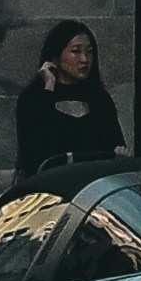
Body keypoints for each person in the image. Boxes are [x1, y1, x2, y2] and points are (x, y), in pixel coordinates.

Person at [16, 17, 125, 185]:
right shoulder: (33, 98)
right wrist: (49, 87)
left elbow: (115, 145)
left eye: (89, 52)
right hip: (50, 188)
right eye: (76, 51)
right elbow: (34, 147)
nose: (84, 59)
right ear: (56, 56)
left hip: (93, 189)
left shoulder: (100, 98)